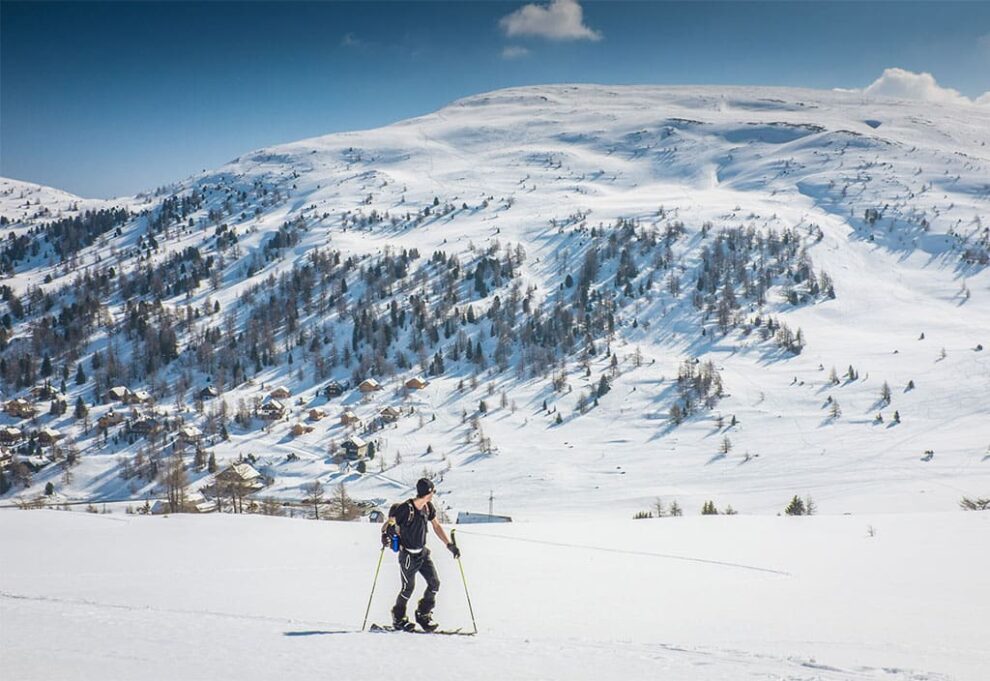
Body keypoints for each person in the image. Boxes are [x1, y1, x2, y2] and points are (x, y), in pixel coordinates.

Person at [381, 477, 460, 632]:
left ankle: (423, 614)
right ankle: (398, 618)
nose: (433, 495)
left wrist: (449, 544)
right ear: (428, 493)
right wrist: (385, 534)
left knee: (434, 583)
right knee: (408, 588)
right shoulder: (406, 508)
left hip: (422, 554)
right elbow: (389, 523)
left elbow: (436, 526)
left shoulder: (428, 507)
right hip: (408, 556)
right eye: (433, 492)